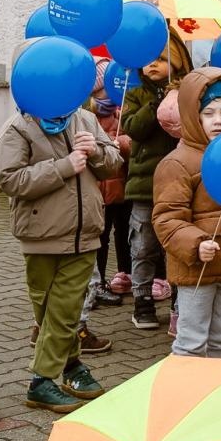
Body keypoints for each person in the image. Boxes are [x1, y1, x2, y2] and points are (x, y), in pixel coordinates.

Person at [0, 71, 124, 414]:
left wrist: (95, 151)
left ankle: (41, 381)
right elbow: (11, 180)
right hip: (40, 236)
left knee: (64, 309)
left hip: (85, 233)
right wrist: (64, 166)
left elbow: (114, 164)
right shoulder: (19, 127)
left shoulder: (85, 119)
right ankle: (71, 366)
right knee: (48, 307)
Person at [151, 69, 221, 358]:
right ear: (193, 116)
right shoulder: (177, 163)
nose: (217, 120)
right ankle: (185, 399)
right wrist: (196, 243)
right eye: (209, 112)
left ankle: (216, 397)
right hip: (197, 268)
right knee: (191, 341)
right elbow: (166, 219)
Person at [121, 29, 190, 330]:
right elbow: (133, 128)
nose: (153, 64)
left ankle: (179, 304)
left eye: (162, 59)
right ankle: (142, 301)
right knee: (143, 246)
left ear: (177, 59)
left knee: (174, 247)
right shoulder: (135, 93)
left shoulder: (188, 91)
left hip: (178, 185)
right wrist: (156, 104)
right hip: (145, 186)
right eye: (149, 59)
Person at [91, 62, 133, 304]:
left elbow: (132, 141)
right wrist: (108, 144)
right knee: (101, 236)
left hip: (122, 184)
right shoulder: (89, 115)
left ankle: (125, 274)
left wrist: (124, 143)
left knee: (124, 232)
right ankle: (97, 283)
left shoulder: (121, 111)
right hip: (100, 187)